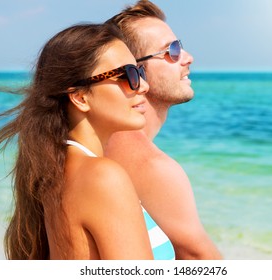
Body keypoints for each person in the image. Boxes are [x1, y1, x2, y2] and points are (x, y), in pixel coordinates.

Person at [0, 23, 175, 259]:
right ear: (80, 97)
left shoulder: (59, 170)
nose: (143, 86)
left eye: (140, 72)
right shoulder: (102, 176)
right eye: (127, 75)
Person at [105, 0, 223, 259]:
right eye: (172, 50)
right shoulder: (151, 164)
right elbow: (202, 261)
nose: (188, 58)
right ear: (132, 71)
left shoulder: (101, 142)